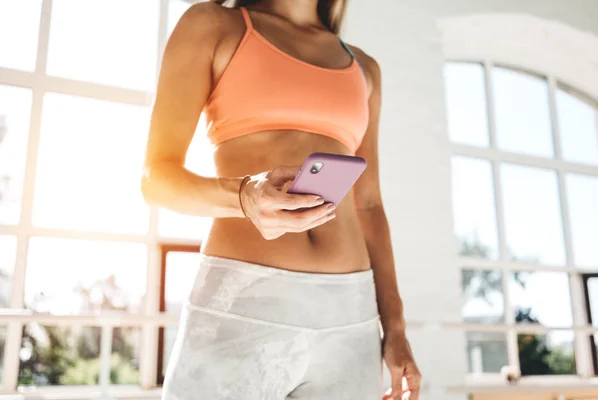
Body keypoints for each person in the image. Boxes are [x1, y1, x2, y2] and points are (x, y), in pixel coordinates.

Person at [141, 0, 421, 399]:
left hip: (350, 315)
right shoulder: (213, 25)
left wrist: (395, 329)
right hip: (242, 301)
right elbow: (156, 179)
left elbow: (369, 205)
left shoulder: (365, 69)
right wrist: (243, 196)